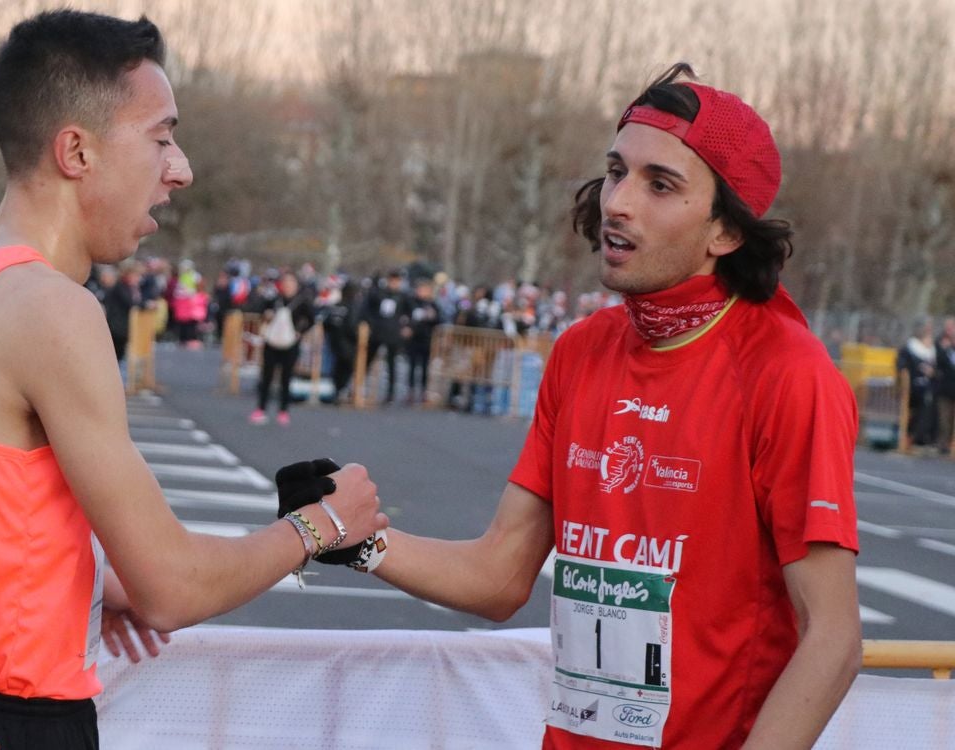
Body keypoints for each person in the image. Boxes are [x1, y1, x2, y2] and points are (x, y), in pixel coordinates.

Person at [0, 11, 385, 749]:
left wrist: (69, 584)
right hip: (3, 722)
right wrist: (320, 527)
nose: (181, 168)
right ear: (76, 150)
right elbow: (171, 586)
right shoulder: (51, 308)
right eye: (161, 137)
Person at [282, 64, 861, 749]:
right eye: (617, 171)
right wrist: (355, 539)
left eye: (661, 185)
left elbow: (833, 639)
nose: (618, 202)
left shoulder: (787, 372)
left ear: (726, 232)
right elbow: (499, 576)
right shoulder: (582, 351)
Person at [250, 269, 315, 426]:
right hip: (272, 341)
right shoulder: (274, 299)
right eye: (285, 283)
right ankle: (261, 408)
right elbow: (259, 309)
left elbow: (311, 319)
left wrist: (300, 331)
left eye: (291, 283)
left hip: (290, 342)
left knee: (287, 377)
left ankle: (283, 410)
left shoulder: (302, 301)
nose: (288, 286)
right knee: (267, 376)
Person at [363, 269, 410, 404]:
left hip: (393, 333)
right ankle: (360, 387)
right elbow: (368, 310)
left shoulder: (403, 296)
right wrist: (371, 324)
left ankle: (390, 393)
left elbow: (411, 312)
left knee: (391, 363)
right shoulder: (378, 294)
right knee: (368, 359)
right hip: (378, 331)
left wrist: (408, 327)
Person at [897, 318, 938, 448]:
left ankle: (920, 438)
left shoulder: (931, 348)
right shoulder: (910, 346)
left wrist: (932, 372)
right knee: (917, 406)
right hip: (912, 386)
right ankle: (908, 437)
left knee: (929, 405)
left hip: (927, 385)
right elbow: (902, 365)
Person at [403, 277, 440, 405]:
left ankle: (424, 391)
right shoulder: (411, 302)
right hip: (414, 339)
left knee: (425, 367)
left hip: (426, 339)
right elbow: (405, 316)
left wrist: (433, 317)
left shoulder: (432, 304)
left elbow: (438, 320)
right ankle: (411, 391)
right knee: (412, 366)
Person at [936, 317, 955, 454]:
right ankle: (943, 444)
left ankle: (951, 443)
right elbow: (939, 363)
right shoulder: (942, 347)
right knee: (944, 419)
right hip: (945, 389)